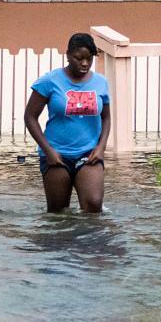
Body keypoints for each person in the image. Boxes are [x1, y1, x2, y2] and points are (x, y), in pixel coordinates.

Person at [24, 33, 111, 213]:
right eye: (79, 58)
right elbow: (30, 116)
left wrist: (101, 148)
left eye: (89, 58)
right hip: (56, 154)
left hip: (89, 153)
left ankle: (89, 241)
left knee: (94, 205)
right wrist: (48, 151)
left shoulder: (101, 83)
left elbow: (106, 117)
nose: (85, 63)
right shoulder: (49, 81)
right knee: (58, 212)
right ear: (68, 55)